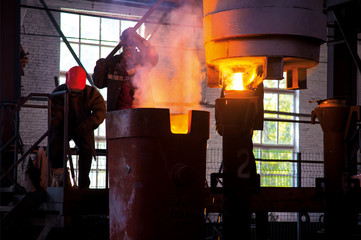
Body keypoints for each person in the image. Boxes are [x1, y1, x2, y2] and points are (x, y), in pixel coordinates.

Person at [49, 66, 106, 188]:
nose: (74, 94)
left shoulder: (91, 94)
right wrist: (61, 128)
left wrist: (86, 125)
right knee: (57, 146)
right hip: (63, 128)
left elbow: (100, 112)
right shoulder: (58, 94)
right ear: (67, 83)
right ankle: (60, 181)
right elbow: (54, 118)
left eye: (77, 92)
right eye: (72, 91)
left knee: (86, 149)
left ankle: (83, 186)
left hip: (83, 128)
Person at [92, 27, 158, 111]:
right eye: (126, 45)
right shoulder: (113, 63)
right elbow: (99, 83)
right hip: (117, 113)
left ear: (136, 45)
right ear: (122, 46)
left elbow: (154, 57)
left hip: (141, 110)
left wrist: (138, 38)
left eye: (132, 44)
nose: (129, 48)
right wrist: (99, 70)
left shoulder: (142, 59)